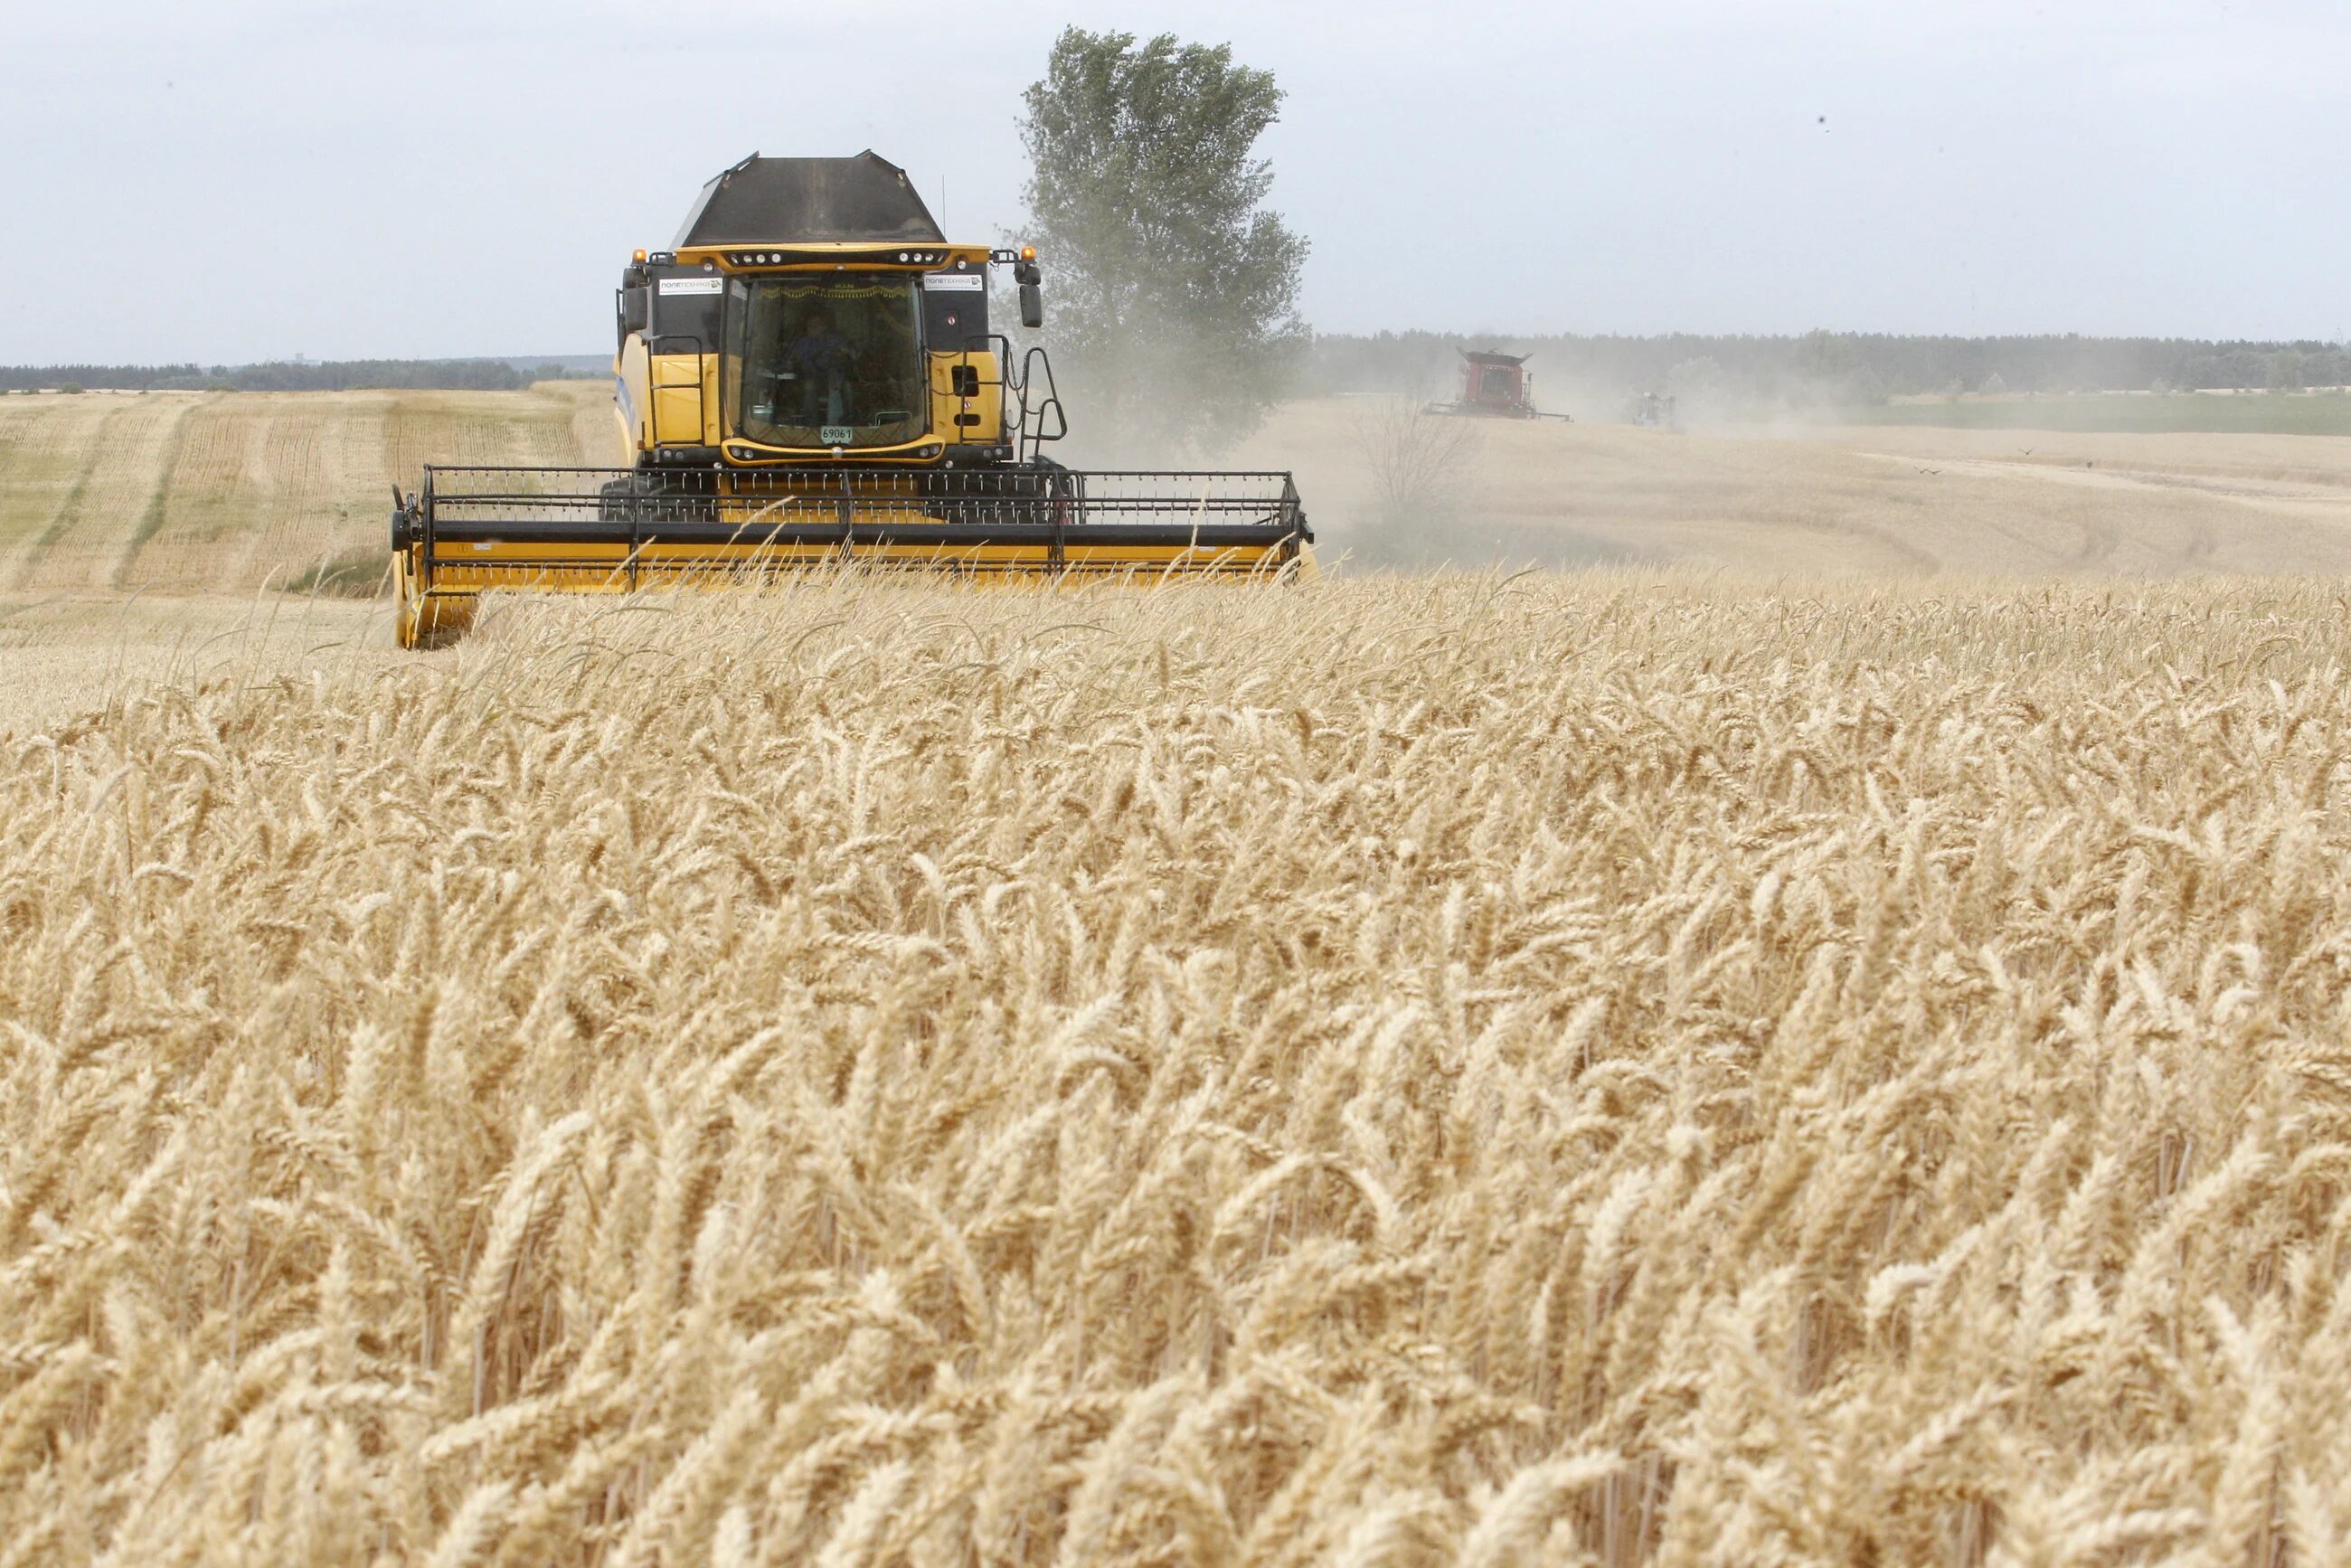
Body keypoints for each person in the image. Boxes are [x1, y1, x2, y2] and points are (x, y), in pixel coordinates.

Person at [785, 308, 854, 425]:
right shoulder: (801, 342)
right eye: (810, 325)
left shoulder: (836, 339)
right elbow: (788, 361)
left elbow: (853, 355)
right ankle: (811, 426)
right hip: (810, 376)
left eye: (816, 325)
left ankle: (844, 424)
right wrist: (791, 363)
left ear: (824, 326)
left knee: (846, 386)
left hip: (835, 377)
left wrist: (844, 354)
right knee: (809, 386)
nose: (812, 328)